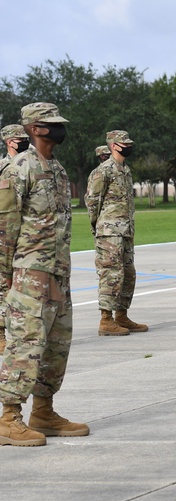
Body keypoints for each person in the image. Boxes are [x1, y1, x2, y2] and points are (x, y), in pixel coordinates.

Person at [0, 103, 88, 446]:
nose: (59, 129)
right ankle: (8, 418)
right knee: (25, 347)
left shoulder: (58, 170)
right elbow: (4, 230)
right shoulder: (17, 169)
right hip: (29, 276)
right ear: (34, 128)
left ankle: (44, 412)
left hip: (57, 275)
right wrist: (5, 284)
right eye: (52, 124)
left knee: (55, 348)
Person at [86, 130, 148, 336]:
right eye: (124, 143)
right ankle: (106, 320)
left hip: (125, 231)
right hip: (110, 232)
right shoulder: (103, 171)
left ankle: (121, 315)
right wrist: (98, 226)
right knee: (111, 274)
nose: (128, 146)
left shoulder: (125, 170)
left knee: (128, 274)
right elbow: (92, 201)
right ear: (113, 145)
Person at [0, 125, 29, 355]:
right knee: (2, 283)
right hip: (3, 234)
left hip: (26, 233)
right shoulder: (2, 168)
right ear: (10, 141)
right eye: (20, 139)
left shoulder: (29, 167)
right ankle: (0, 334)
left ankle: (22, 332)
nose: (24, 142)